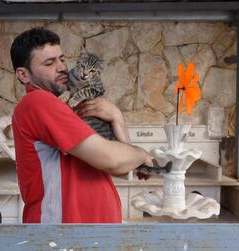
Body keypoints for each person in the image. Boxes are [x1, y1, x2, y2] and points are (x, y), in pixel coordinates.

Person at [10, 27, 153, 223]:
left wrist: (117, 118)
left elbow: (120, 168)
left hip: (87, 232)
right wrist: (142, 154)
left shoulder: (61, 109)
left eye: (61, 59)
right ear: (24, 75)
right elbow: (112, 159)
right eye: (49, 62)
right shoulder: (37, 103)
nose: (61, 67)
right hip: (64, 234)